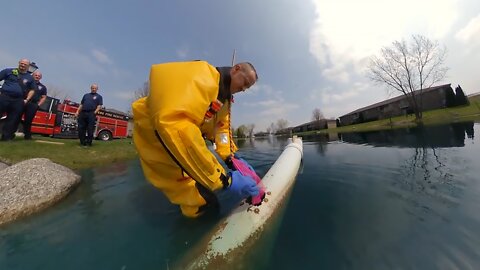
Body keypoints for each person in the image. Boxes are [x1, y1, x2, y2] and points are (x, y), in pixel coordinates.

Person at [132, 60, 260, 218]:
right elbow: (177, 127)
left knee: (206, 196)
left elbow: (221, 130)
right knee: (199, 201)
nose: (243, 89)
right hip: (157, 141)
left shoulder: (224, 101)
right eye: (245, 83)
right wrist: (224, 180)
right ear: (236, 69)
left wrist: (230, 156)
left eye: (247, 88)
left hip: (179, 141)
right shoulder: (200, 76)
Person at [0, 58, 36, 141]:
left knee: (13, 119)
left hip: (18, 101)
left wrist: (27, 99)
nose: (23, 65)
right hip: (4, 97)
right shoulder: (8, 71)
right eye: (22, 63)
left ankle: (6, 137)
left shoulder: (30, 78)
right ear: (19, 63)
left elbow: (32, 89)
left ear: (28, 66)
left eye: (25, 64)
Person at [23, 71, 47, 140]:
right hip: (23, 101)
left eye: (38, 76)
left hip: (33, 104)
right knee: (16, 117)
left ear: (40, 77)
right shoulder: (27, 83)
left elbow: (44, 97)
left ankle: (27, 136)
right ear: (32, 75)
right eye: (35, 75)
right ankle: (9, 134)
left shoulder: (42, 87)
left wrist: (38, 105)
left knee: (28, 120)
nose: (37, 76)